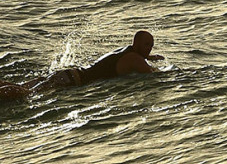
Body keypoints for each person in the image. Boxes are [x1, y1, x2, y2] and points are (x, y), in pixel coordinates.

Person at [1, 31, 163, 100]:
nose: (149, 48)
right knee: (26, 93)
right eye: (147, 44)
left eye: (151, 45)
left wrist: (150, 57)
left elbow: (135, 59)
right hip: (71, 81)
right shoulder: (135, 59)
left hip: (69, 74)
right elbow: (153, 74)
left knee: (23, 86)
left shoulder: (126, 51)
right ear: (136, 43)